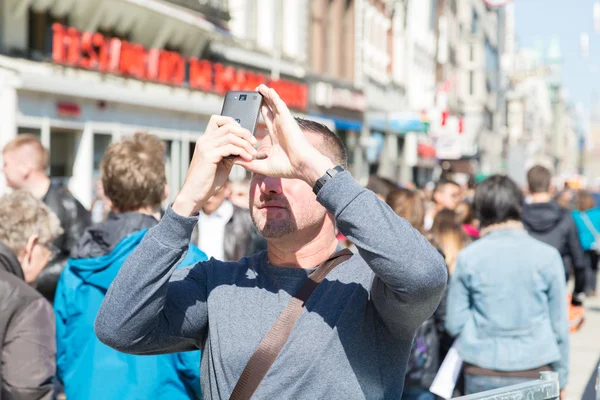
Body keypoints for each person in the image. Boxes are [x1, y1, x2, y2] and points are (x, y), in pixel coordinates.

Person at [95, 85, 447, 399]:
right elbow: (118, 328)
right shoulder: (216, 282)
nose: (269, 183)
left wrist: (315, 169)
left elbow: (425, 277)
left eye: (289, 170)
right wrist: (187, 200)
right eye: (259, 170)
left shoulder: (372, 286)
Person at [54, 133, 206, 400]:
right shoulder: (190, 261)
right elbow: (196, 364)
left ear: (108, 196)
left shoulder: (76, 266)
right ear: (163, 191)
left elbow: (63, 350)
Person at [446, 175, 569, 396]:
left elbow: (455, 322)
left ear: (480, 210)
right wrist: (562, 376)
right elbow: (559, 325)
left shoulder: (468, 257)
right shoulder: (547, 256)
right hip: (536, 365)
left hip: (481, 364)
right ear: (519, 205)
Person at [2, 134, 91, 302]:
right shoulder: (12, 205)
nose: (2, 169)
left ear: (25, 167)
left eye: (6, 164)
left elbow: (82, 259)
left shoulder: (68, 205)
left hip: (53, 306)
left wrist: (33, 277)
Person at [0, 190, 63, 400]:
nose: (48, 259)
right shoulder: (28, 305)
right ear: (31, 244)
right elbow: (26, 393)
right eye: (49, 248)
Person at [522, 165, 586, 305]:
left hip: (525, 284)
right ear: (551, 187)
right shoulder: (565, 217)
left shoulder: (519, 217)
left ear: (527, 188)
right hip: (557, 281)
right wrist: (578, 293)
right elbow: (579, 260)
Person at [191, 178, 266, 261]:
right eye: (205, 193)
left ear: (227, 188)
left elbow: (260, 250)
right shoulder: (189, 218)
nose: (209, 198)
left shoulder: (246, 217)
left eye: (214, 193)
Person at [572, 190, 600, 297]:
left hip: (580, 244)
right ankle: (592, 288)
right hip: (594, 244)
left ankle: (584, 287)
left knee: (583, 266)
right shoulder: (597, 213)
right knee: (593, 267)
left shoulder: (575, 214)